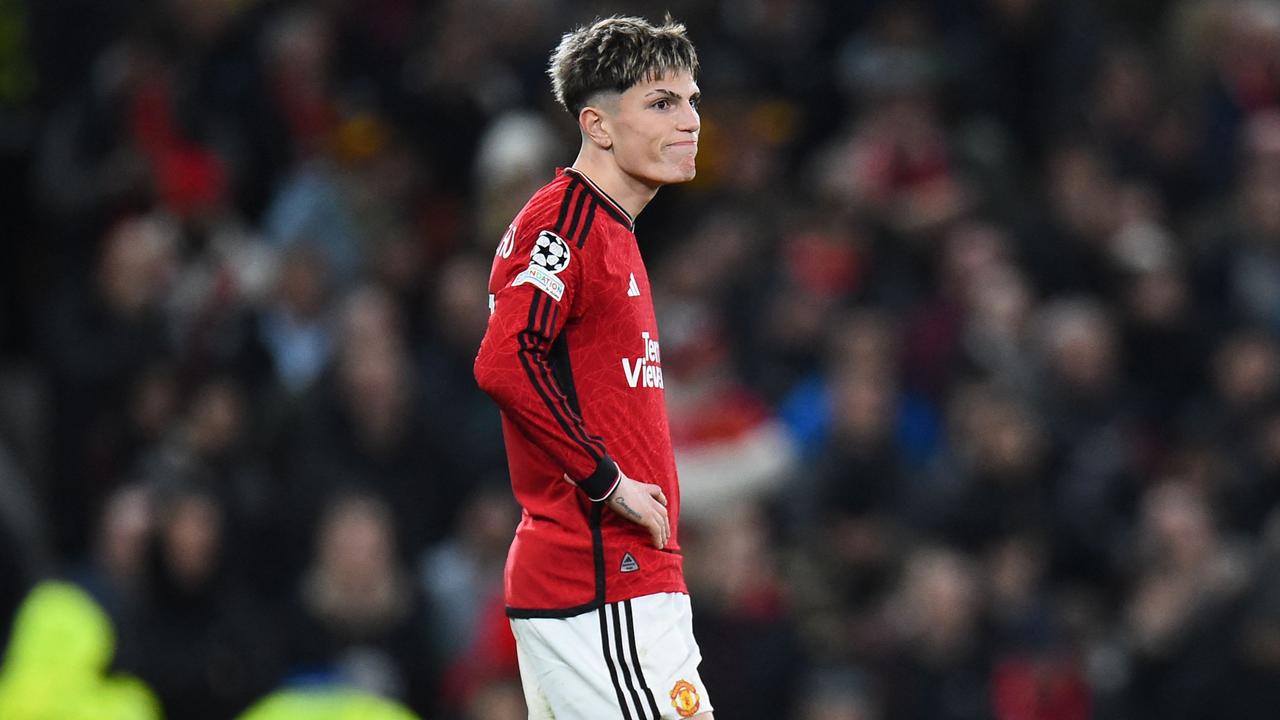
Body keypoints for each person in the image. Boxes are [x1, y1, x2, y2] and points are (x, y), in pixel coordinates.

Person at [473, 15, 714, 719]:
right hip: (602, 577)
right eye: (663, 103)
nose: (691, 120)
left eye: (693, 100)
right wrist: (608, 483)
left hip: (615, 585)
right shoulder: (567, 223)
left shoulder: (608, 229)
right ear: (598, 125)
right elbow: (504, 361)